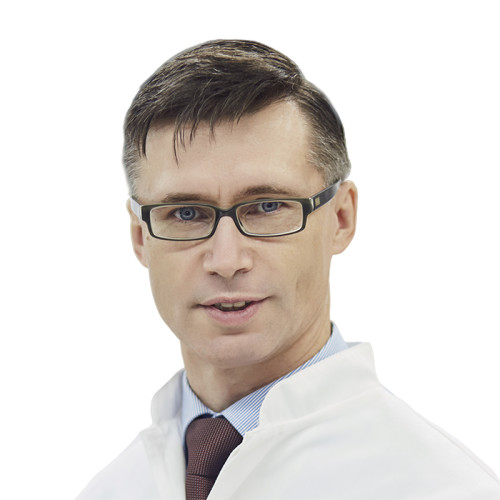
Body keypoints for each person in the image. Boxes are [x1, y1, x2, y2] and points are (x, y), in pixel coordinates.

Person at [77, 40, 500, 500]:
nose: (227, 261)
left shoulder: (440, 488)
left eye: (266, 206)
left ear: (341, 218)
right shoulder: (110, 490)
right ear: (140, 237)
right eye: (186, 213)